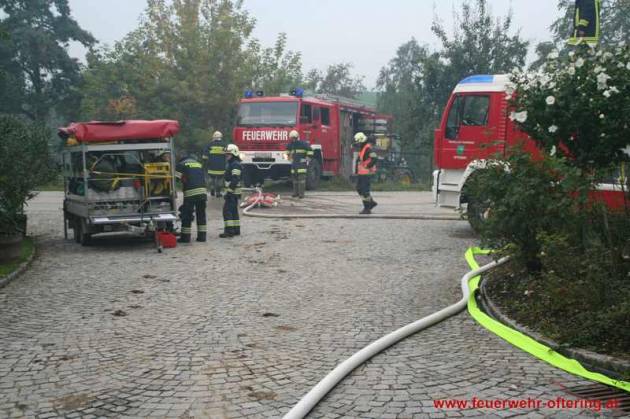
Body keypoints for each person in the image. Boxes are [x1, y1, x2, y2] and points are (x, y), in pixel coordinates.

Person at [175, 154, 207, 243]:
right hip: (202, 192)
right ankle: (202, 237)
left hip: (190, 193)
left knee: (187, 214)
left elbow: (175, 179)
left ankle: (185, 238)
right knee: (201, 214)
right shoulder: (198, 164)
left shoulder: (181, 164)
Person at [220, 144, 242, 238]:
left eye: (228, 154)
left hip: (232, 192)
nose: (226, 156)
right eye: (226, 154)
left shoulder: (235, 164)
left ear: (234, 153)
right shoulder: (232, 163)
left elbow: (235, 179)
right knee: (233, 211)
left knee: (227, 211)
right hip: (233, 192)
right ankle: (236, 230)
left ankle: (229, 231)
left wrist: (229, 191)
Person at [354, 132, 378, 214]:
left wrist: (368, 166)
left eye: (358, 142)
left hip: (366, 173)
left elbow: (374, 158)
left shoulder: (368, 148)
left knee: (364, 191)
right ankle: (371, 202)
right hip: (362, 173)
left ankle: (367, 208)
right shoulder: (363, 147)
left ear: (361, 141)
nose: (357, 144)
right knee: (359, 189)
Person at [285, 130, 313, 198]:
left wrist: (306, 160)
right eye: (292, 138)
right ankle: (295, 193)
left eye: (294, 138)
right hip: (294, 166)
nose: (293, 139)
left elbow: (311, 152)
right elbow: (286, 153)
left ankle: (301, 194)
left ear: (297, 137)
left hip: (301, 165)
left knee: (301, 181)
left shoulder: (303, 144)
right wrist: (290, 160)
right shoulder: (290, 145)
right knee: (295, 181)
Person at [202, 130, 227, 197]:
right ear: (221, 137)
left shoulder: (209, 145)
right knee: (220, 179)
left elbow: (204, 156)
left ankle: (212, 189)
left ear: (213, 137)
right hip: (221, 166)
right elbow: (227, 156)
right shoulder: (224, 145)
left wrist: (205, 164)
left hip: (211, 166)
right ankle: (218, 192)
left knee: (211, 178)